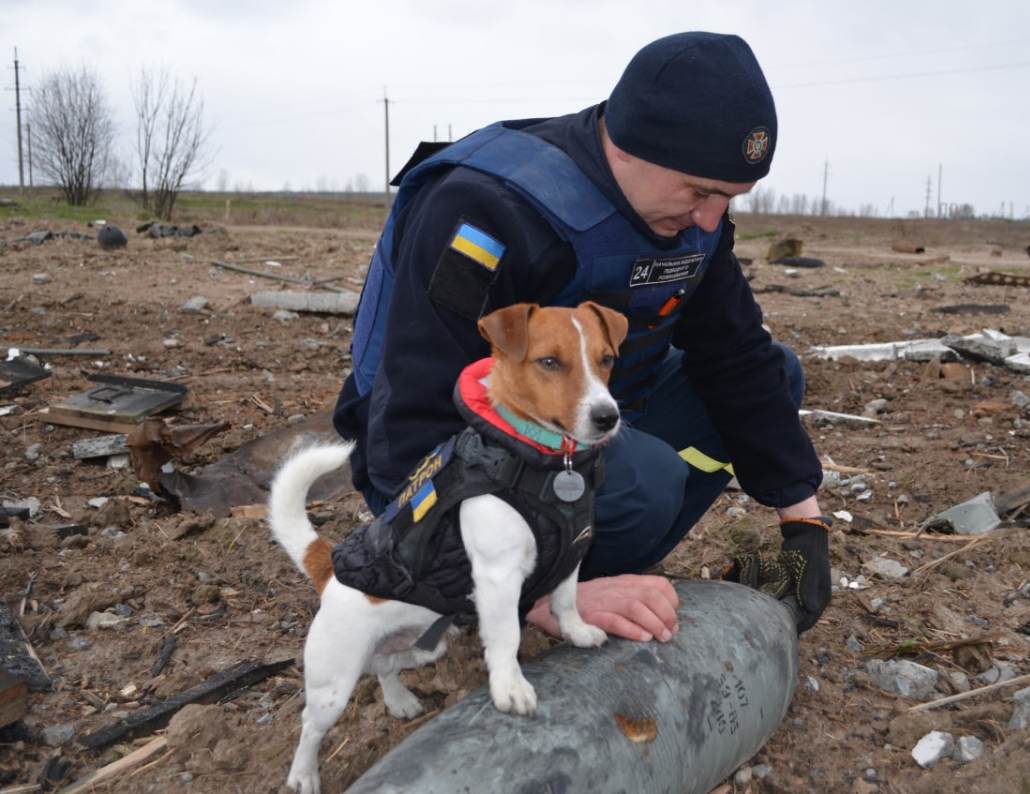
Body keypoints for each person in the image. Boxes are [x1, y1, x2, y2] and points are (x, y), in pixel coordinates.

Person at [333, 31, 830, 644]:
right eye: (701, 191)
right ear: (628, 147)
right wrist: (538, 601)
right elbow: (412, 425)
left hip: (588, 416)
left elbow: (737, 355)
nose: (709, 219)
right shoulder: (488, 208)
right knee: (645, 483)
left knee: (776, 374)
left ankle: (597, 556)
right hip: (447, 456)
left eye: (729, 199)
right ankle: (530, 580)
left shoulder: (692, 220)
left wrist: (804, 525)